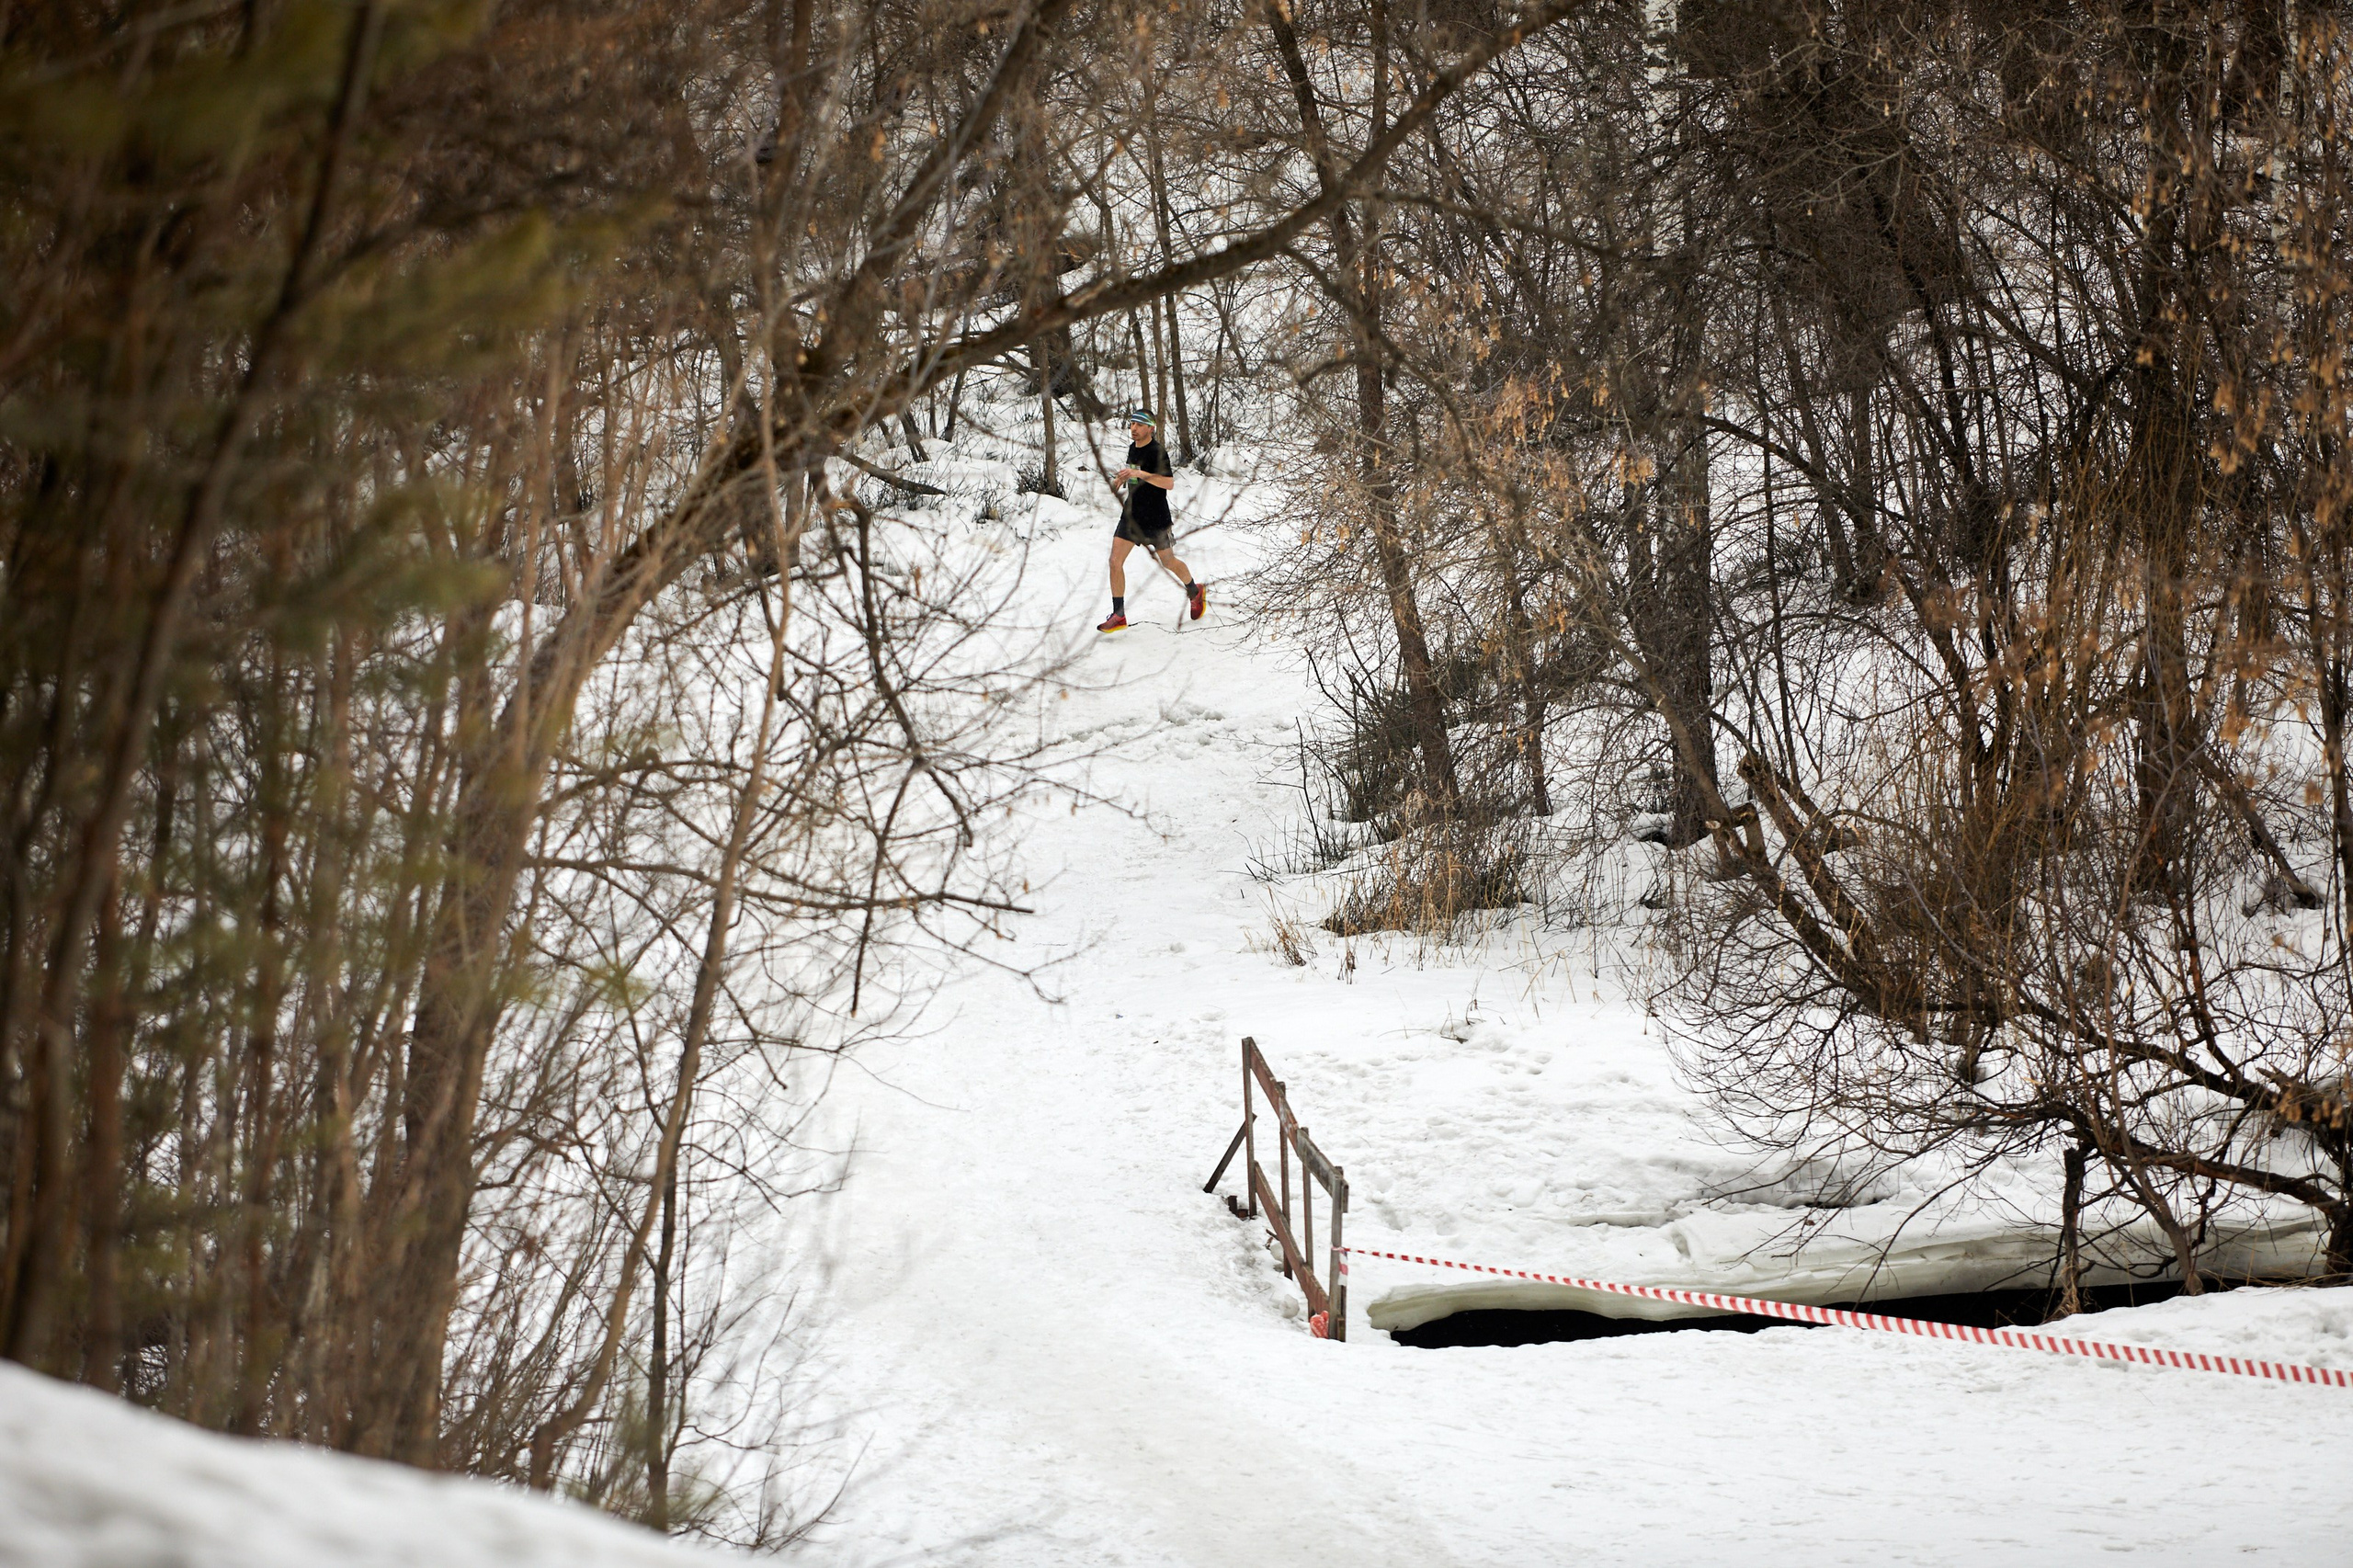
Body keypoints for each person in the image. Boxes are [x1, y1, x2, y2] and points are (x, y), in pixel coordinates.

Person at [1097, 410, 1206, 632]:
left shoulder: (1158, 452)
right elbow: (1134, 476)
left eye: (1139, 425)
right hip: (1132, 516)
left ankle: (1195, 591)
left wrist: (1142, 474)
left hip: (1156, 518)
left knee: (1169, 562)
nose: (1134, 429)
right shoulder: (1132, 448)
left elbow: (1168, 483)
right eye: (1132, 424)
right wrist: (1122, 478)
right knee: (1114, 561)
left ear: (1151, 428)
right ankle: (1119, 614)